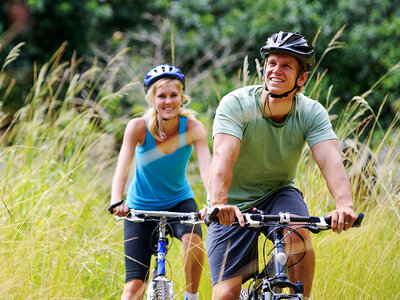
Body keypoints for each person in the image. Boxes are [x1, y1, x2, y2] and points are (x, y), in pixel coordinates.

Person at [204, 31, 358, 299]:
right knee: (225, 295)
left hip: (278, 193)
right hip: (231, 204)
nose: (276, 70)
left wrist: (345, 206)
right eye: (272, 63)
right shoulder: (236, 104)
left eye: (286, 65)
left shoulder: (311, 112)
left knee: (298, 232)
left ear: (301, 78)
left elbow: (331, 160)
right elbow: (223, 156)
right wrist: (218, 202)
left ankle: (300, 297)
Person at [110, 64, 211, 300]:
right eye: (161, 96)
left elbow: (208, 168)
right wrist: (117, 201)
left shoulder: (193, 128)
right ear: (151, 99)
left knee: (194, 242)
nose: (168, 101)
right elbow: (122, 168)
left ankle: (191, 297)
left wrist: (213, 202)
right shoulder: (137, 127)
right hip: (140, 207)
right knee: (134, 287)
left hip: (179, 202)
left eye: (173, 95)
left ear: (182, 97)